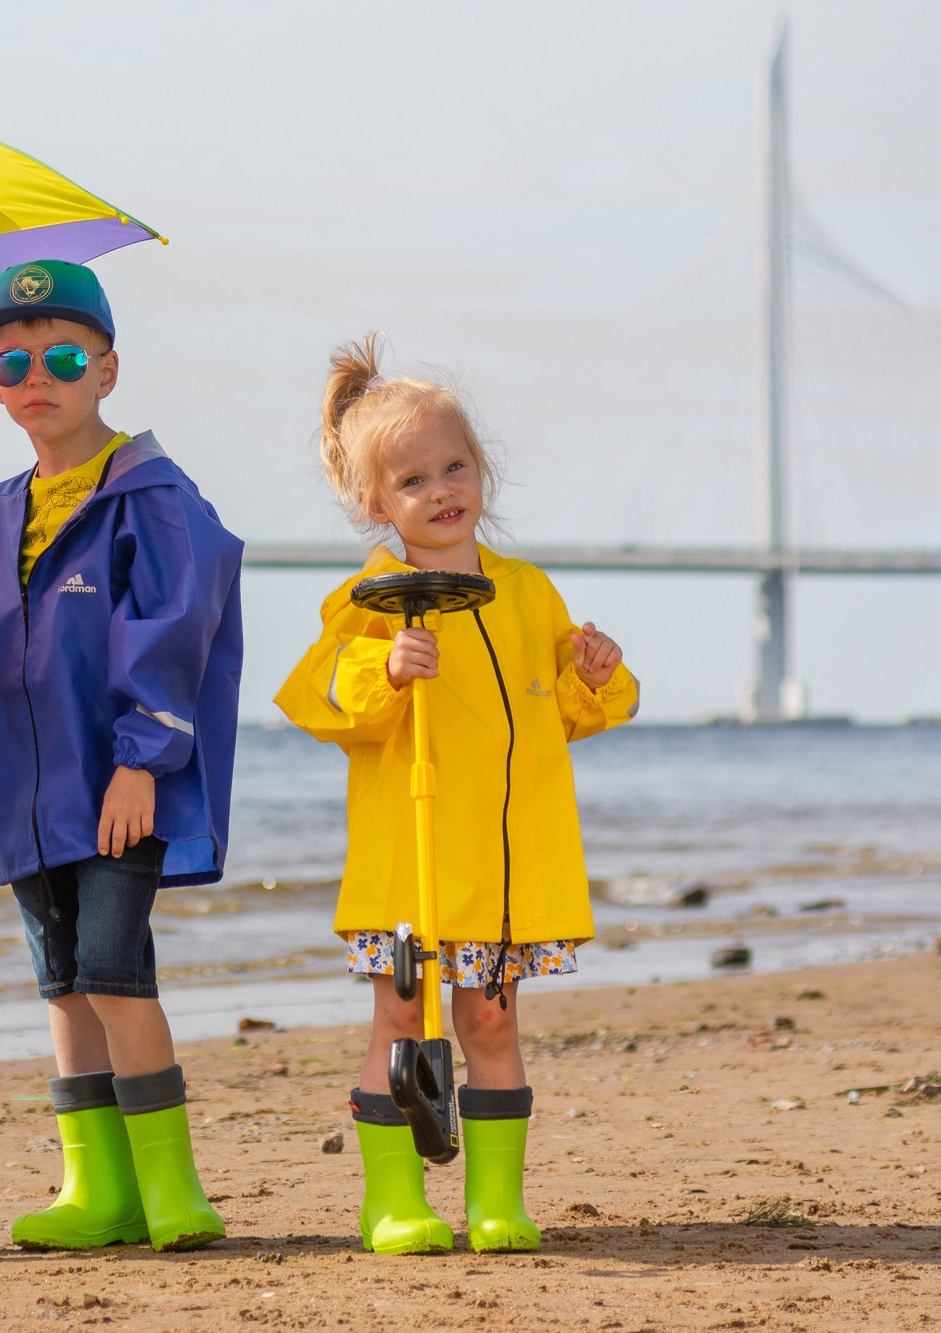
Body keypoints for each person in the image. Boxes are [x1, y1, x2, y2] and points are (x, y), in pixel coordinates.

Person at [274, 335, 637, 1255]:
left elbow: (575, 711)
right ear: (373, 504)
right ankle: (391, 1199)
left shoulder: (527, 592)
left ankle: (496, 1201)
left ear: (482, 471)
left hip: (506, 870)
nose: (441, 491)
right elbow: (315, 697)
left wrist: (595, 670)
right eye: (412, 482)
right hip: (414, 867)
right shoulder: (371, 594)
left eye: (454, 467)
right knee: (401, 1016)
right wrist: (385, 668)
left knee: (490, 1019)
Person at [0, 259, 244, 1252]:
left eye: (62, 358)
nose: (37, 377)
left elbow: (176, 623)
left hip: (118, 785)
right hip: (29, 796)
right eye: (10, 363)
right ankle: (96, 1188)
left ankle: (170, 1187)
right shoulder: (1, 513)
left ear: (106, 370)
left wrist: (140, 759)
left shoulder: (149, 496)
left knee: (116, 973)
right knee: (63, 984)